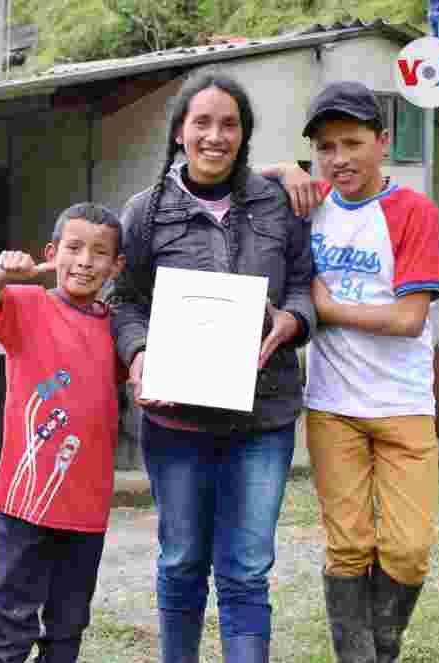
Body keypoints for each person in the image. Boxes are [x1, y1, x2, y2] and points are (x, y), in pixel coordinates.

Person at [109, 70, 315, 663]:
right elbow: (126, 300)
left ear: (244, 134)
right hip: (178, 424)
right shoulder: (145, 213)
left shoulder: (277, 204)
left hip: (263, 420)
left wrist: (292, 323)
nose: (215, 135)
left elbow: (302, 285)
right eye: (202, 122)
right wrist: (139, 352)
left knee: (247, 568)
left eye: (229, 124)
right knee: (181, 561)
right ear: (179, 132)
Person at [297, 80, 439, 663]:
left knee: (408, 550)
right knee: (348, 546)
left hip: (405, 404)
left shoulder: (413, 212)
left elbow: (410, 318)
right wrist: (284, 172)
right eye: (325, 148)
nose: (339, 159)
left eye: (352, 143)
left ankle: (382, 650)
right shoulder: (309, 206)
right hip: (333, 405)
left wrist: (329, 310)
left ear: (382, 143)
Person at [0, 202, 127, 663]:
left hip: (87, 505)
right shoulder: (27, 303)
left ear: (116, 266)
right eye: (74, 248)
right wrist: (7, 270)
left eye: (99, 253)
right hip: (27, 500)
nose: (84, 261)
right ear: (52, 252)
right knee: (13, 617)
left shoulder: (119, 329)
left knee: (69, 623)